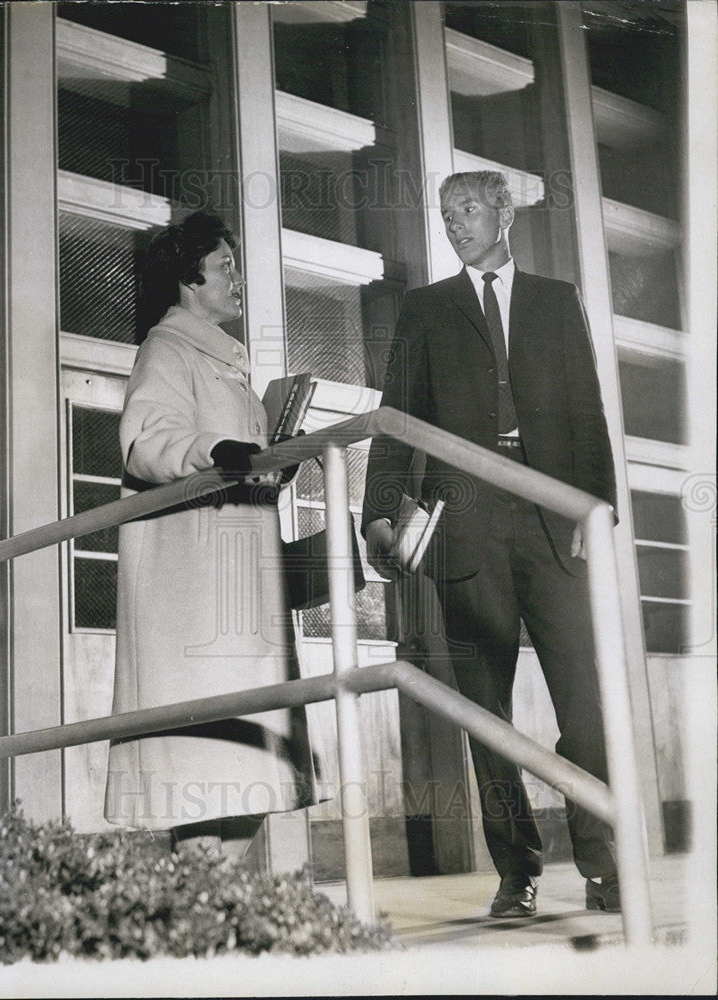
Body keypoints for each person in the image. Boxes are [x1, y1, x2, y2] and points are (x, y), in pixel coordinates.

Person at [362, 170, 621, 916]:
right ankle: (517, 874)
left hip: (552, 523)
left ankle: (601, 863)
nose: (455, 224)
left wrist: (592, 516)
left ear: (504, 213)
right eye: (446, 215)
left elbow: (589, 416)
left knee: (588, 705)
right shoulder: (425, 309)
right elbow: (393, 419)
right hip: (465, 525)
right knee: (484, 711)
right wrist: (378, 513)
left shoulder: (554, 300)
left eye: (468, 209)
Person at [104, 210, 316, 861]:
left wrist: (271, 464)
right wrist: (213, 448)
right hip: (193, 597)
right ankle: (197, 921)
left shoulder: (224, 364)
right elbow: (147, 442)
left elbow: (223, 459)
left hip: (237, 590)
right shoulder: (166, 350)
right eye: (225, 266)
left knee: (251, 773)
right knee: (205, 767)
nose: (237, 279)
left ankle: (207, 916)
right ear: (189, 278)